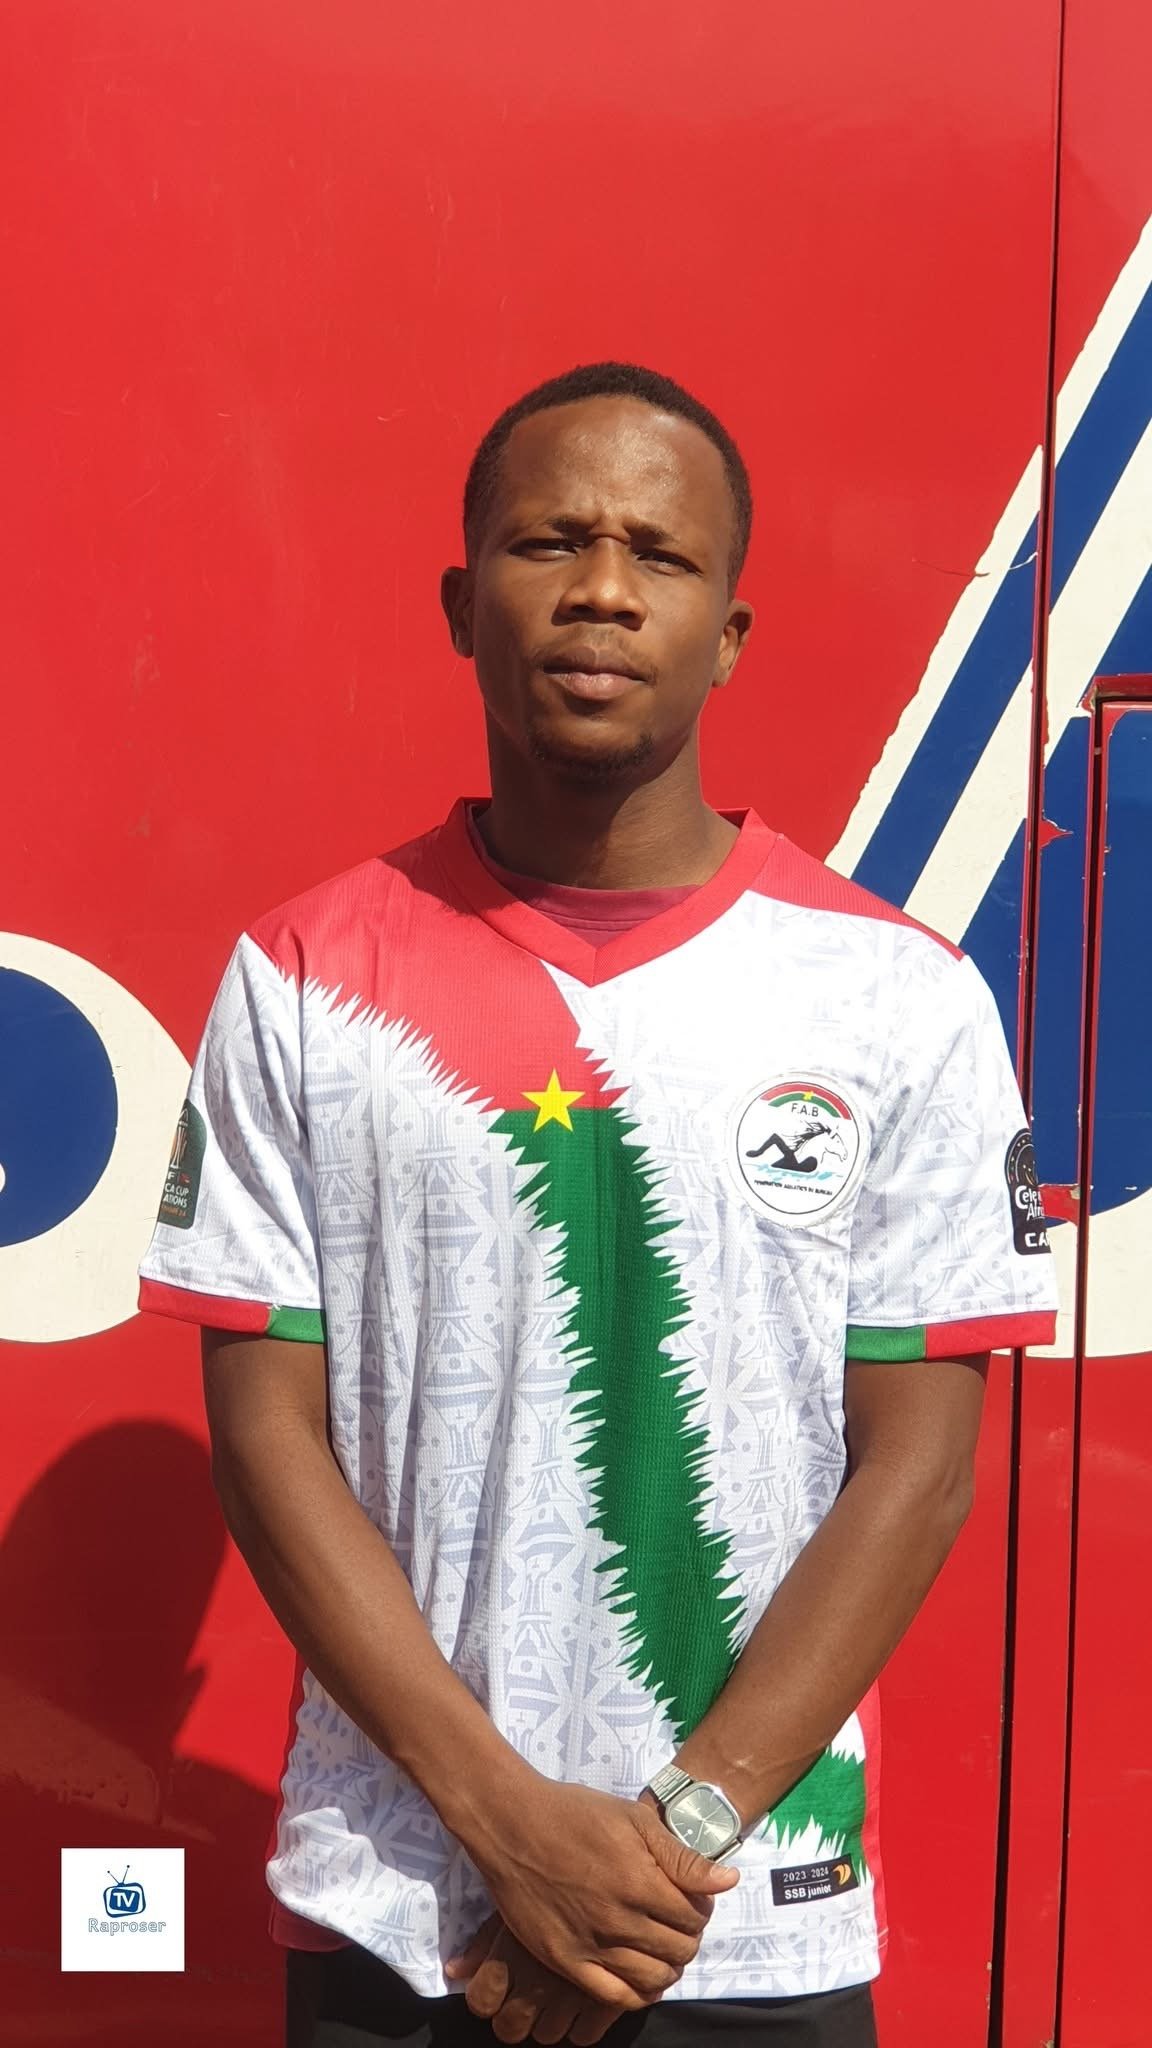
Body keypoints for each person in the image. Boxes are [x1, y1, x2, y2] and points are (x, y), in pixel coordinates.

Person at [138, 362, 1058, 2047]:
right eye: (550, 540)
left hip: (743, 1913)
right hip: (402, 1906)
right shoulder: (301, 976)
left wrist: (669, 1840)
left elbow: (919, 1471)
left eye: (662, 553)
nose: (605, 590)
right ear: (460, 603)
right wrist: (504, 1823)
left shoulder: (897, 997)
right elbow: (267, 1443)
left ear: (730, 634)